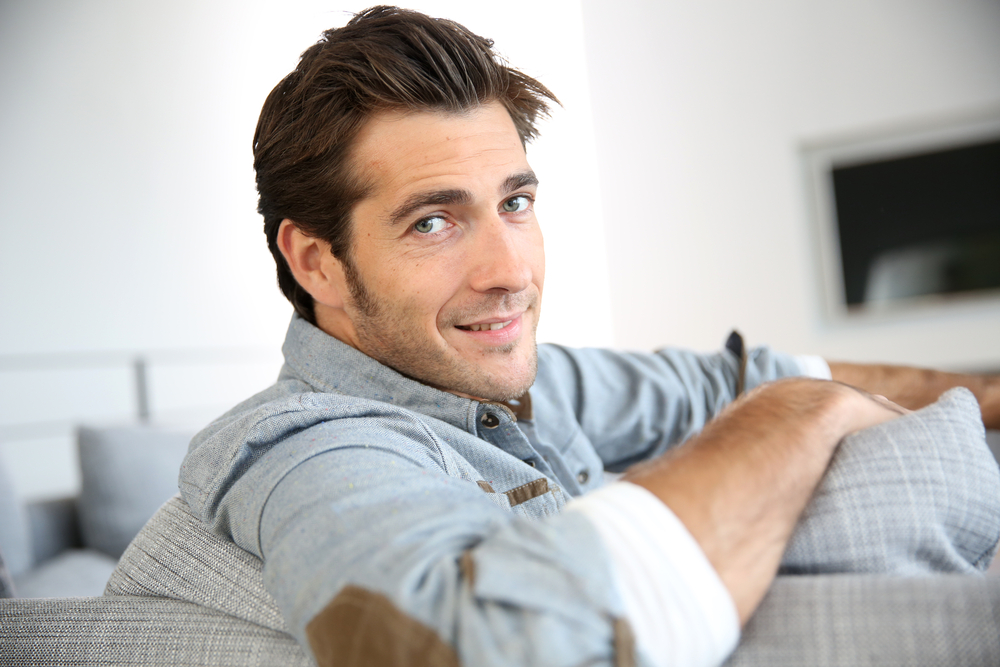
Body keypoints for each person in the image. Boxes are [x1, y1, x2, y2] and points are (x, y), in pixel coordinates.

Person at [180, 6, 1000, 666]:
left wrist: (987, 395)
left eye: (515, 202)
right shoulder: (301, 448)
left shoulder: (501, 379)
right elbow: (467, 650)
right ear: (317, 261)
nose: (510, 271)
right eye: (434, 221)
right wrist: (799, 409)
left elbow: (723, 380)